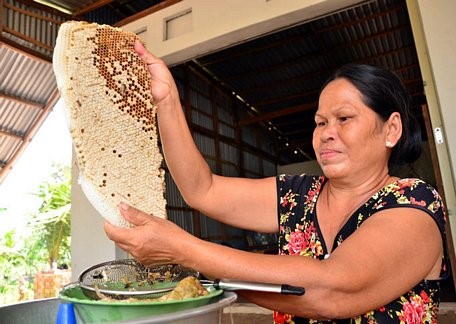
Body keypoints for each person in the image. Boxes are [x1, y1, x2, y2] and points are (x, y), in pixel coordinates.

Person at [104, 40, 448, 323]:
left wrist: (184, 250)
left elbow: (331, 292)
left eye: (344, 119)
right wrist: (167, 101)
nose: (327, 134)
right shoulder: (299, 195)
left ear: (391, 130)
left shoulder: (414, 203)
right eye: (320, 122)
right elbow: (202, 190)